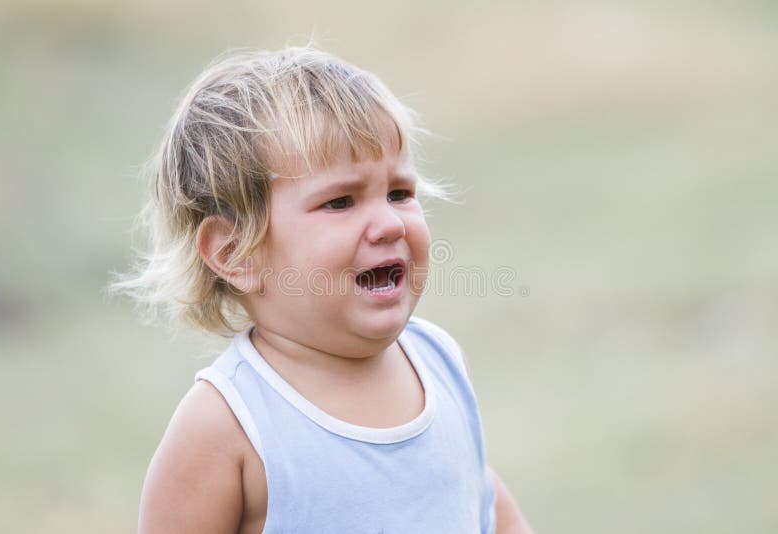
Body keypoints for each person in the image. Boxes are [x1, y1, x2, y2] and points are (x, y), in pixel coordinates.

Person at [113, 44, 533, 534]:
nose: (389, 223)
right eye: (340, 202)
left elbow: (477, 498)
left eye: (399, 192)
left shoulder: (440, 364)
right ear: (236, 253)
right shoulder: (225, 427)